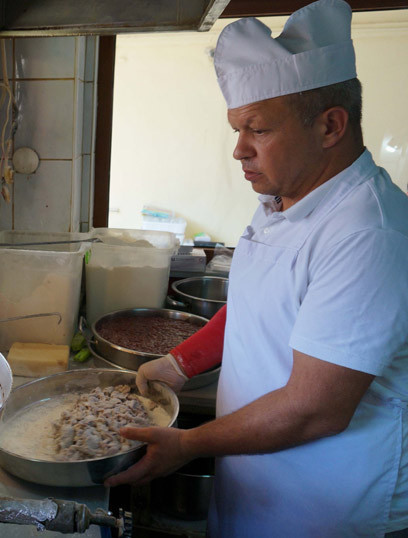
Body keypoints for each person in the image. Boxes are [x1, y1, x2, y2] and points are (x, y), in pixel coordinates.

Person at [105, 1, 408, 536]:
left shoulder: (368, 233)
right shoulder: (284, 195)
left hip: (326, 506)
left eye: (257, 130)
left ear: (330, 126)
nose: (239, 150)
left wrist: (189, 445)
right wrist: (179, 363)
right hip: (255, 481)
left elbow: (317, 409)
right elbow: (254, 306)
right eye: (236, 129)